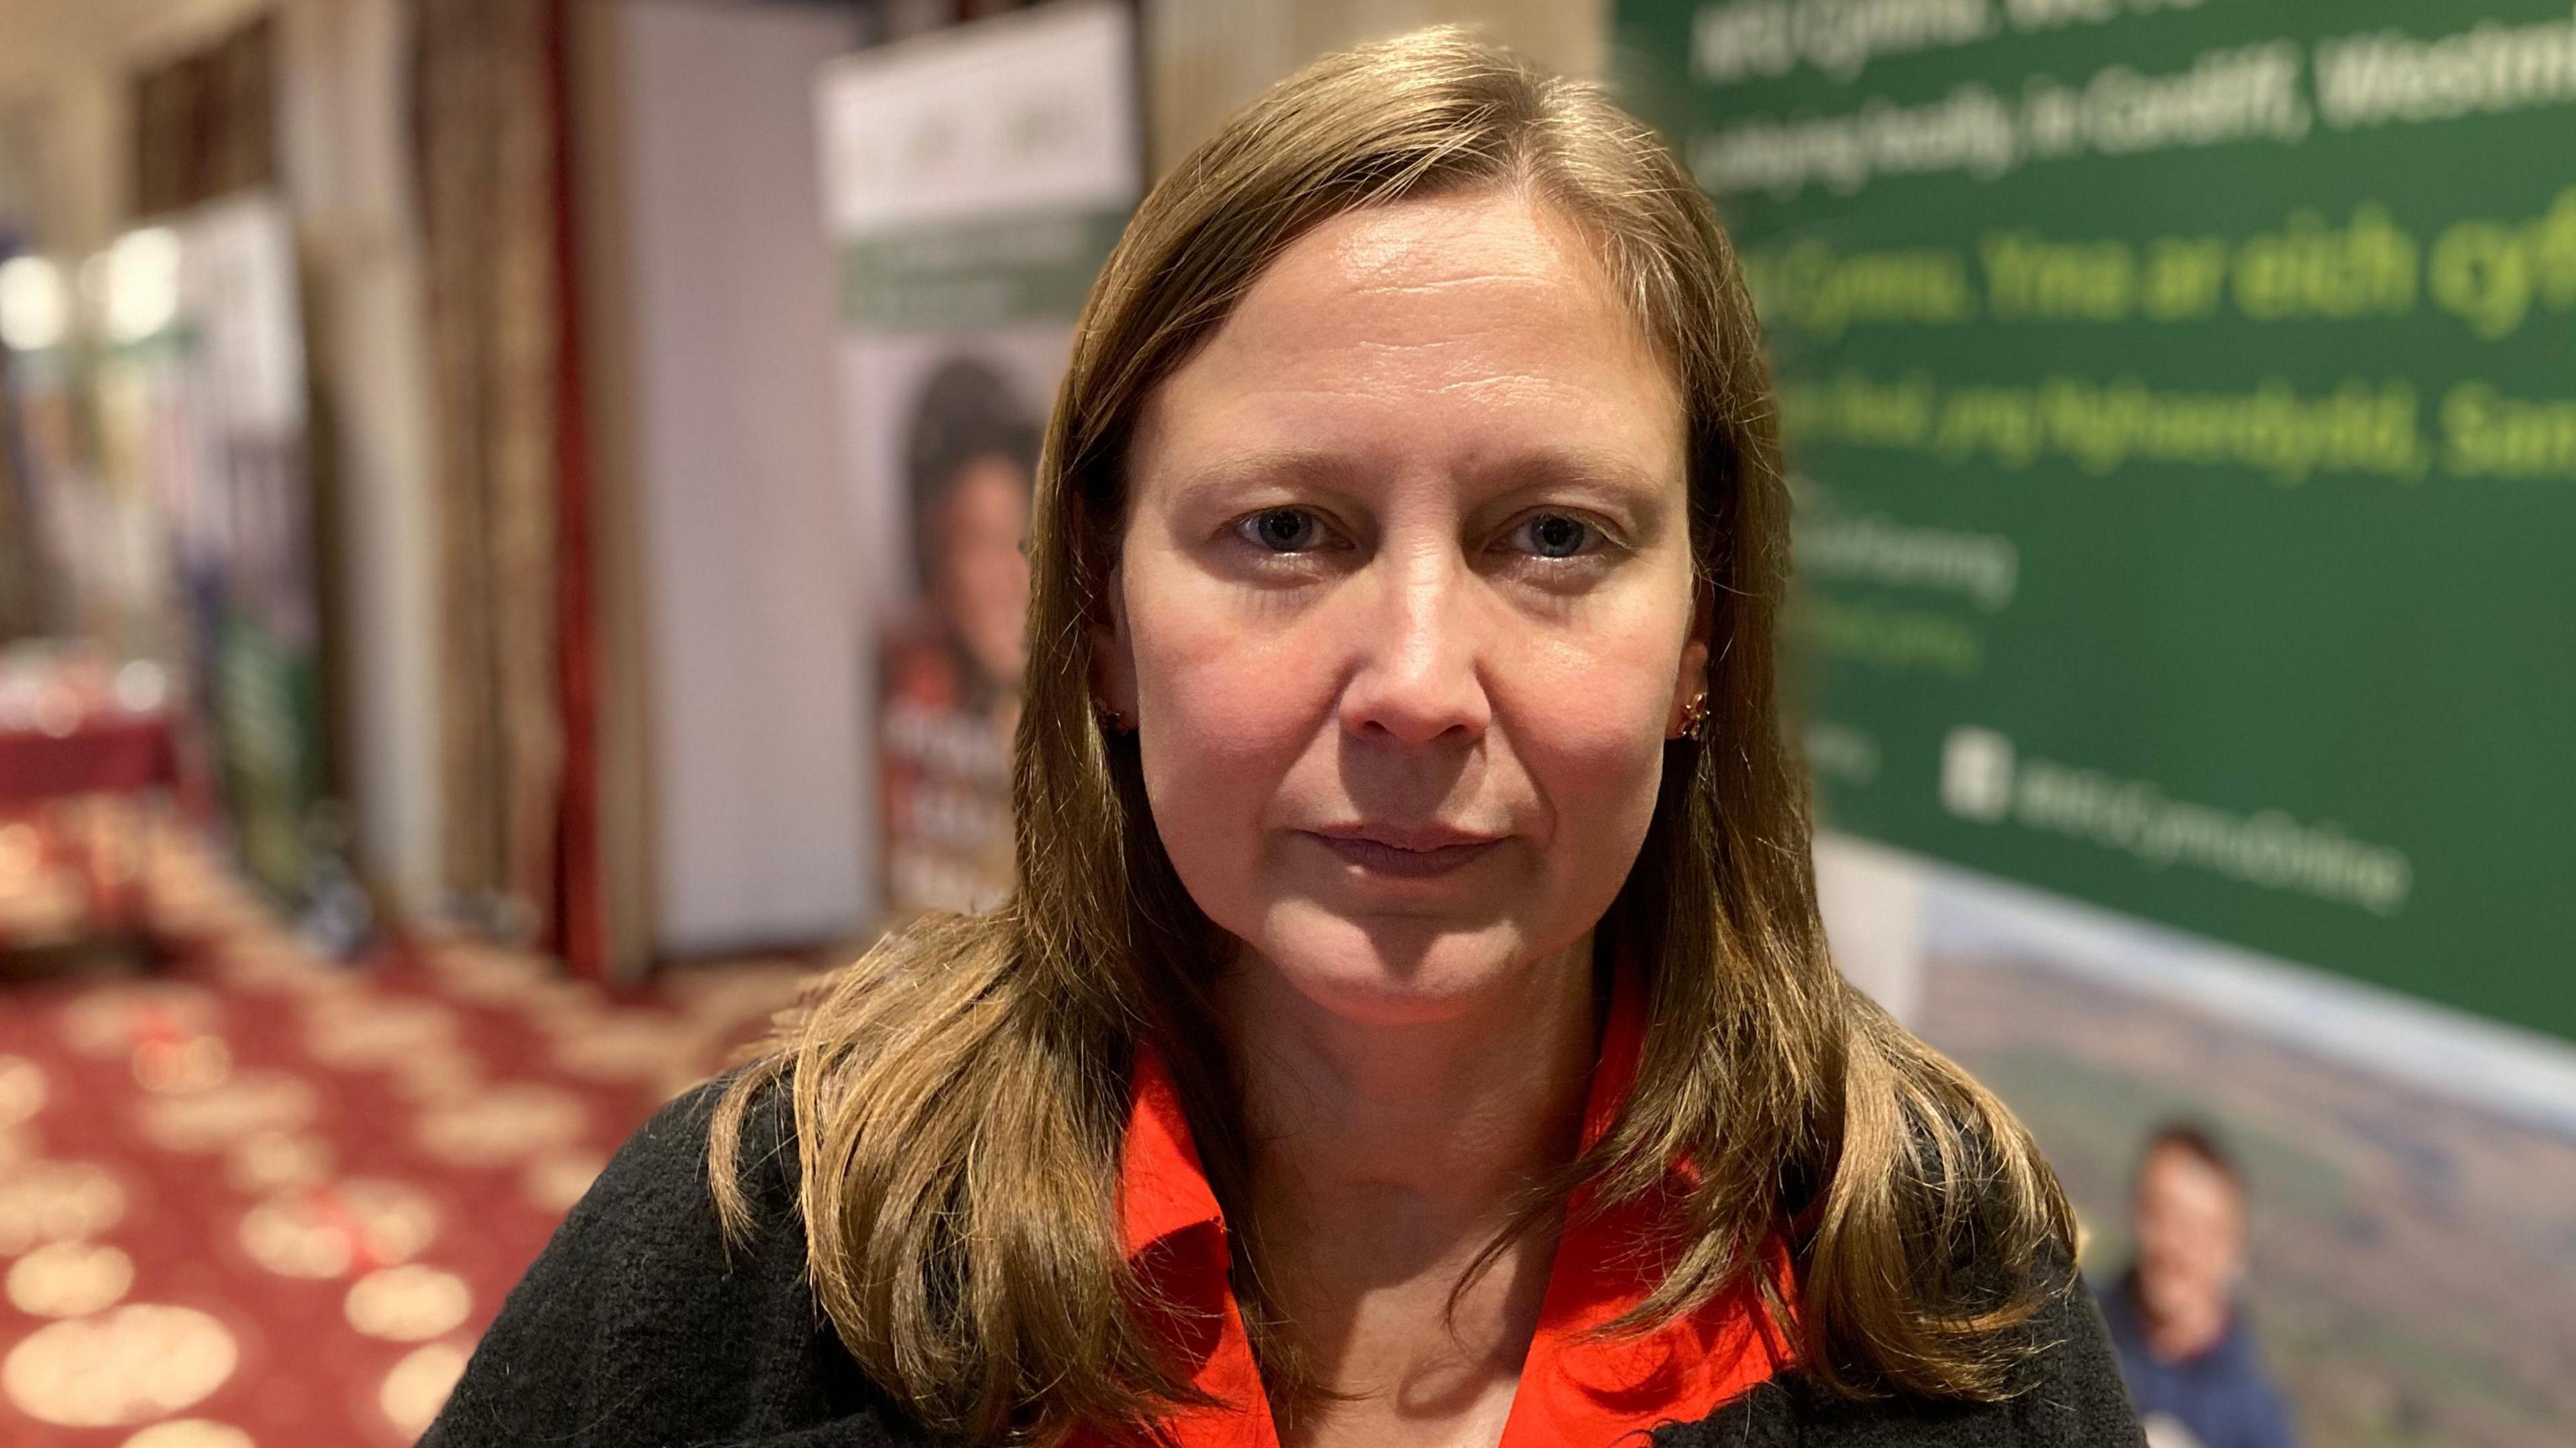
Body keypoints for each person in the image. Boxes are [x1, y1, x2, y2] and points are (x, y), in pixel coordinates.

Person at [422, 30, 2143, 1448]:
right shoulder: (762, 1262)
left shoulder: (1931, 1282)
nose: (1414, 680)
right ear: (1096, 616)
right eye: (1285, 532)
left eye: (1552, 536)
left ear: (1702, 636)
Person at [2100, 1124, 2298, 1448]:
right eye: (2160, 1215)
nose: (2174, 1246)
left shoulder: (2256, 1424)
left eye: (2197, 1229)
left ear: (2234, 1246)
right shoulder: (2067, 1328)